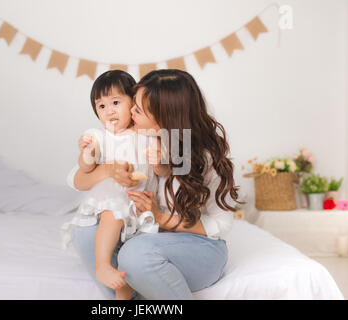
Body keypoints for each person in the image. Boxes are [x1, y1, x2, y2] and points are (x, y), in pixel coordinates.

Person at [68, 69, 243, 300]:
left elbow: (221, 224)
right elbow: (76, 179)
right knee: (86, 232)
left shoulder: (198, 156)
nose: (128, 111)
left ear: (164, 117)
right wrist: (109, 170)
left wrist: (160, 217)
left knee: (135, 254)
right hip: (147, 237)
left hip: (194, 247)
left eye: (137, 109)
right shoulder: (133, 139)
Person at [61, 70, 164, 300]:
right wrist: (88, 152)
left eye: (116, 102)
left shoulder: (146, 134)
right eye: (102, 106)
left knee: (136, 251)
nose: (110, 111)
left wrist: (159, 159)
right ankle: (102, 264)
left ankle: (123, 292)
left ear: (133, 104)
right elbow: (84, 169)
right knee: (113, 212)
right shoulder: (100, 136)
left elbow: (161, 168)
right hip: (114, 198)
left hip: (142, 202)